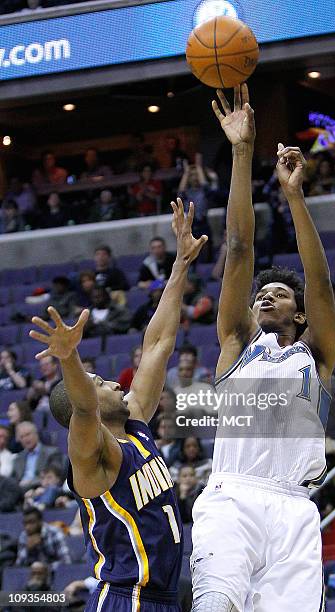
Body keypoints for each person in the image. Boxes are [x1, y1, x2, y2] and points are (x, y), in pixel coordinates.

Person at [191, 85, 335, 612]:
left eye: (278, 293)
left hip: (295, 510)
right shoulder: (235, 344)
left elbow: (318, 282)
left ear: (299, 315)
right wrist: (240, 151)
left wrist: (294, 197)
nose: (264, 295)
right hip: (232, 498)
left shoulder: (315, 356)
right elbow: (238, 247)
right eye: (261, 294)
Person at [29, 198, 207, 611]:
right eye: (98, 382)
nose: (112, 382)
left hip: (161, 597)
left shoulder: (137, 422)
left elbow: (159, 344)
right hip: (126, 599)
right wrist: (69, 358)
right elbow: (87, 409)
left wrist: (180, 263)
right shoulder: (94, 459)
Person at [11, 422, 63, 491]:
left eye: (28, 434)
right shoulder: (18, 458)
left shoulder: (52, 453)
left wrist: (30, 483)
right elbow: (13, 480)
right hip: (19, 492)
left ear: (36, 434)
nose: (25, 439)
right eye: (22, 437)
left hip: (40, 489)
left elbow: (53, 476)